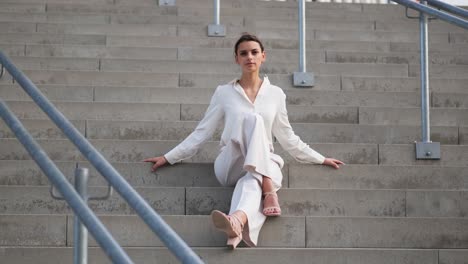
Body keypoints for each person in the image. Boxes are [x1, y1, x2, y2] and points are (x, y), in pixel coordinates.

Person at [143, 33, 344, 249]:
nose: (250, 57)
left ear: (263, 56)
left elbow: (287, 137)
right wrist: (169, 157)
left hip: (262, 163)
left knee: (250, 181)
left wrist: (320, 159)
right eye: (244, 53)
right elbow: (202, 132)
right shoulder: (224, 93)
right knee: (253, 120)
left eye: (254, 52)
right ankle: (269, 189)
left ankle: (237, 222)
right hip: (231, 161)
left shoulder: (276, 94)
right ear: (236, 59)